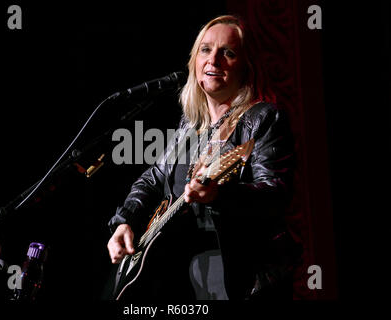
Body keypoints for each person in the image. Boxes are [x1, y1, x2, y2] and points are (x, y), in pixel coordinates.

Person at [107, 15, 301, 300]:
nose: (214, 60)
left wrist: (219, 195)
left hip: (242, 276)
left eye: (229, 52)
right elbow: (152, 179)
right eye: (206, 49)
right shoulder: (190, 125)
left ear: (246, 67)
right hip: (185, 275)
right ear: (194, 61)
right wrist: (126, 221)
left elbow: (276, 194)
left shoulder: (263, 118)